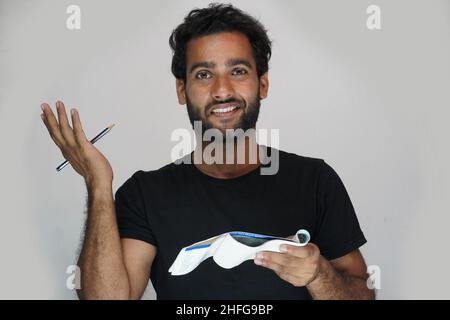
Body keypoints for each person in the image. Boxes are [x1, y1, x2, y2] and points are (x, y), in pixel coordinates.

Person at [40, 3, 374, 300]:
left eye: (238, 71)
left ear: (263, 84)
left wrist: (318, 275)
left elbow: (363, 294)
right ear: (182, 90)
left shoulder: (316, 182)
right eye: (204, 74)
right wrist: (98, 186)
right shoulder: (145, 194)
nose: (222, 90)